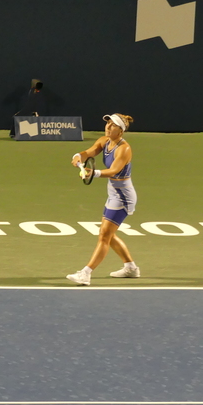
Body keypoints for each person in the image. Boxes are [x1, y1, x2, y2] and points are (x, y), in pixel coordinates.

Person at [66, 113, 140, 286]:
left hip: (123, 196)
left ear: (120, 131)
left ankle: (86, 273)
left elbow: (114, 171)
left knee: (104, 236)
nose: (108, 126)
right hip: (113, 192)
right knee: (108, 234)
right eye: (107, 123)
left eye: (113, 125)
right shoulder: (104, 141)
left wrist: (94, 173)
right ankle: (131, 267)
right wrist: (78, 156)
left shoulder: (124, 149)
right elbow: (88, 153)